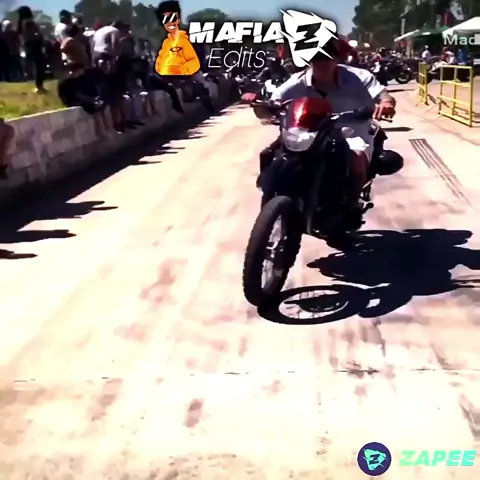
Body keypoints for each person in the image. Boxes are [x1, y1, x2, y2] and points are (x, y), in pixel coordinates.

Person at [244, 37, 396, 229]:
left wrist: (386, 103)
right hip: (310, 132)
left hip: (350, 132)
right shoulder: (297, 81)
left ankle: (351, 205)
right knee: (271, 152)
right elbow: (269, 109)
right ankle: (270, 192)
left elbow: (384, 96)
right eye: (316, 57)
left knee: (356, 158)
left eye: (327, 57)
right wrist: (256, 104)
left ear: (337, 58)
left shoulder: (359, 77)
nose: (321, 62)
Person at [17, 5, 47, 93]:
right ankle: (39, 87)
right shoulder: (28, 22)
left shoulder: (22, 22)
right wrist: (40, 36)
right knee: (40, 67)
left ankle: (39, 86)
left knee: (37, 67)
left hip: (29, 45)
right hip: (34, 45)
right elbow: (32, 34)